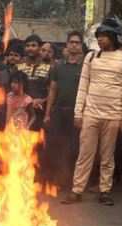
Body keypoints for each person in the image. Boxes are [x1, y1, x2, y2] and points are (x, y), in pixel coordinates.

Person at [62, 16, 122, 206]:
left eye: (104, 36)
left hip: (113, 116)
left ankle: (105, 191)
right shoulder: (91, 56)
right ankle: (77, 190)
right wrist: (79, 113)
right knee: (85, 154)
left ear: (114, 37)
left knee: (107, 156)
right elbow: (83, 87)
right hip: (90, 114)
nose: (100, 39)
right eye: (99, 36)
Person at [43, 31, 84, 191]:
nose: (74, 45)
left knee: (75, 148)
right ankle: (56, 181)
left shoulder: (86, 66)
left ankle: (73, 182)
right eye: (71, 42)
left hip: (77, 113)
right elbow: (52, 90)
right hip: (59, 112)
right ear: (66, 45)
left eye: (77, 42)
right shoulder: (58, 66)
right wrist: (47, 114)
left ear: (81, 46)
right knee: (57, 147)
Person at [16, 34, 50, 131]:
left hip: (41, 113)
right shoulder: (18, 67)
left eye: (33, 45)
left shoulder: (49, 68)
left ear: (40, 48)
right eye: (27, 46)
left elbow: (53, 91)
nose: (30, 48)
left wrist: (42, 100)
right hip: (21, 112)